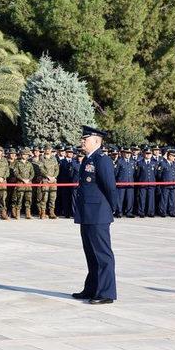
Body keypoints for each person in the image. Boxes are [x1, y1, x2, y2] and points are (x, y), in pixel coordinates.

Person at [72, 126, 119, 304]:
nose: (82, 142)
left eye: (86, 139)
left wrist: (111, 208)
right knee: (90, 253)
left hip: (99, 213)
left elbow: (110, 187)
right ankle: (92, 288)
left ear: (97, 141)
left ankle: (106, 293)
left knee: (102, 254)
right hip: (86, 213)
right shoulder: (87, 159)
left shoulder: (102, 159)